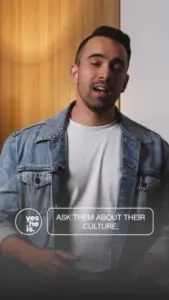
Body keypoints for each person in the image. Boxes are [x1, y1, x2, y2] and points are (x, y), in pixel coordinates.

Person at [0, 25, 169, 295]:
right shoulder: (23, 145)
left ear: (125, 80)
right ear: (75, 72)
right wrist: (32, 257)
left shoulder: (156, 149)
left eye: (116, 66)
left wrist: (141, 272)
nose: (106, 73)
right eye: (96, 62)